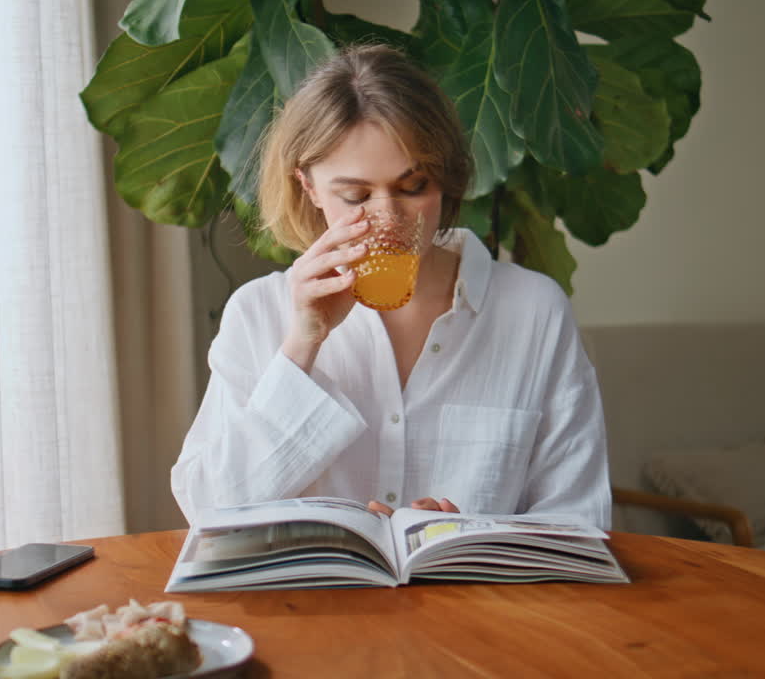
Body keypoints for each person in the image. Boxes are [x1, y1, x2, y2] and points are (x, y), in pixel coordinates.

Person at [170, 44, 611, 527]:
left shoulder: (533, 311)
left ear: (446, 177)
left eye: (413, 187)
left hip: (476, 602)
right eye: (356, 195)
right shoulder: (258, 313)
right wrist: (301, 349)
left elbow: (580, 520)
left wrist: (469, 536)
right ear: (309, 186)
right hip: (314, 602)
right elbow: (208, 513)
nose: (388, 218)